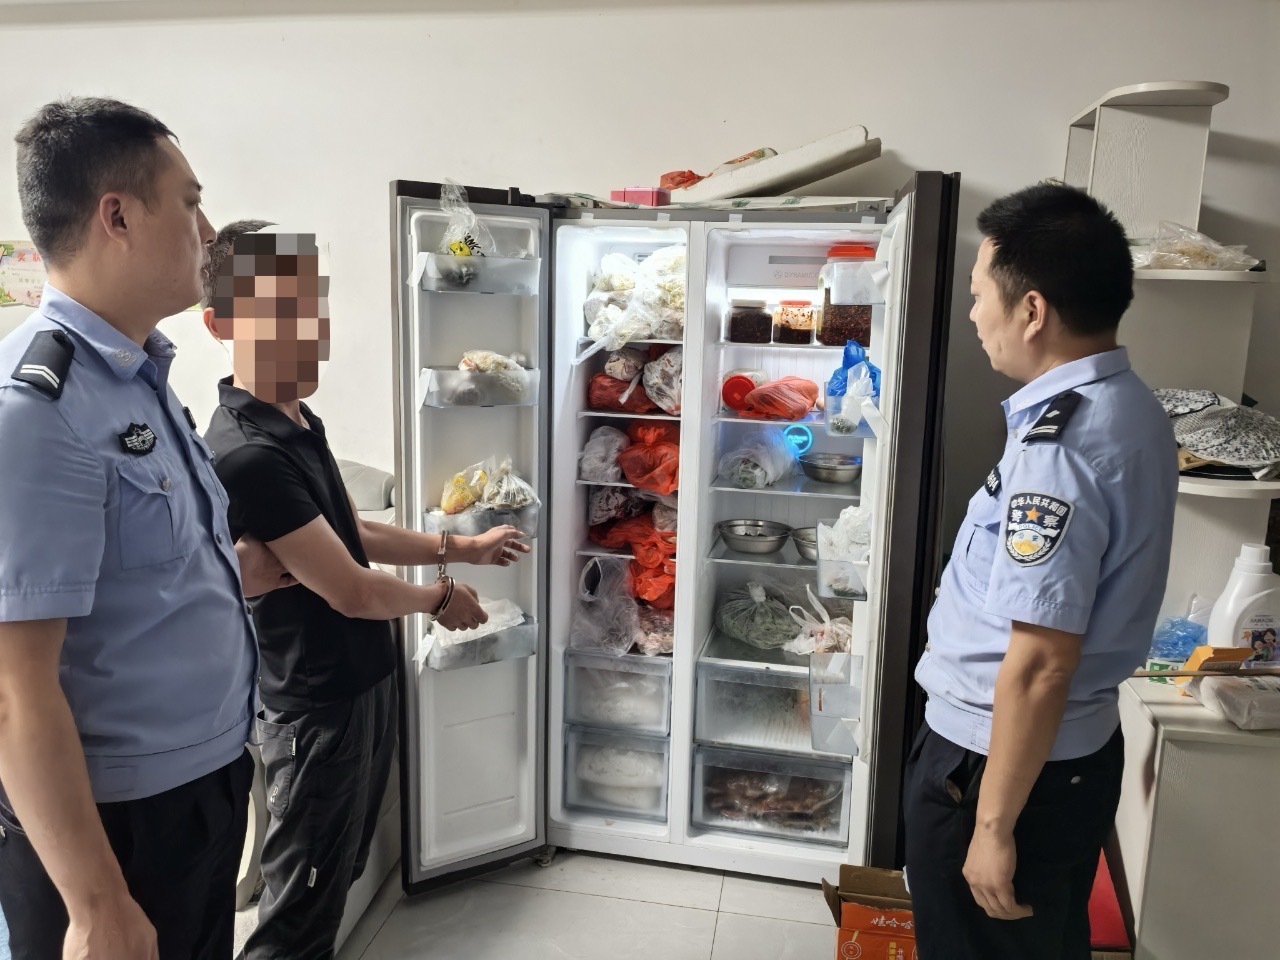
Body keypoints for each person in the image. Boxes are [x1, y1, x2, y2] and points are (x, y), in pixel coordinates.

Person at [0, 98, 292, 960]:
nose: (207, 231)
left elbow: (140, 574)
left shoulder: (137, 377)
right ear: (118, 217)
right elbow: (15, 690)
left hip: (198, 788)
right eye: (190, 202)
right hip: (116, 827)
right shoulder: (38, 410)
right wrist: (94, 902)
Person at [200, 221, 530, 960]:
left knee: (335, 878)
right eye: (278, 312)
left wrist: (462, 545)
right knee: (297, 916)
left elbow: (351, 532)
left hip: (361, 685)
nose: (309, 330)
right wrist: (440, 596)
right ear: (221, 324)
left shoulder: (295, 417)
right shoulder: (248, 453)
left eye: (310, 305)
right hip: (318, 708)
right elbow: (350, 589)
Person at [905, 183, 1178, 959]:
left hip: (997, 766)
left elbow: (1040, 662)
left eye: (978, 295)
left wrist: (992, 827)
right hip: (1059, 760)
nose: (972, 315)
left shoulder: (1062, 450)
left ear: (1031, 310)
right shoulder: (1129, 405)